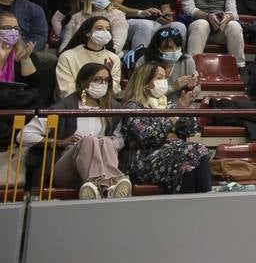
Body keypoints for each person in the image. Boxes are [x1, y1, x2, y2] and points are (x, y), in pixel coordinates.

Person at [20, 62, 129, 198]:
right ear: (84, 82)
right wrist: (58, 142)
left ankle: (104, 186)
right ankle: (105, 185)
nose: (102, 84)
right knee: (88, 141)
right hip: (65, 169)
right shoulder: (63, 107)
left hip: (103, 165)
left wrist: (103, 142)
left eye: (106, 80)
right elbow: (23, 135)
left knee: (106, 141)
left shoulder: (114, 108)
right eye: (97, 80)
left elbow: (120, 140)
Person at [119, 62, 213, 194]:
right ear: (145, 81)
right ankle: (205, 197)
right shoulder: (133, 107)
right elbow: (147, 137)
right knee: (192, 151)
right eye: (158, 78)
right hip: (142, 159)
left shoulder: (166, 104)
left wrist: (184, 110)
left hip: (172, 153)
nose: (163, 82)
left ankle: (199, 201)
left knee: (192, 157)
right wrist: (174, 116)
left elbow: (190, 129)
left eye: (164, 78)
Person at [55, 15, 122, 101]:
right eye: (99, 28)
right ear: (87, 33)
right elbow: (66, 89)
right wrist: (87, 101)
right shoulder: (68, 56)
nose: (105, 32)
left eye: (108, 29)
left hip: (103, 103)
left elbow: (115, 88)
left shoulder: (113, 58)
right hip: (74, 104)